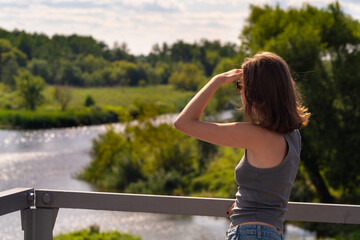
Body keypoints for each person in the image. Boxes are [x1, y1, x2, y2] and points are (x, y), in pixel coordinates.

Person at [173, 52, 310, 240]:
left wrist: (216, 81)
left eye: (241, 86)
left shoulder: (255, 135)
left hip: (250, 233)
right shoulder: (293, 136)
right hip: (272, 233)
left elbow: (183, 123)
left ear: (255, 92)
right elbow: (269, 188)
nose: (240, 92)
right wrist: (245, 204)